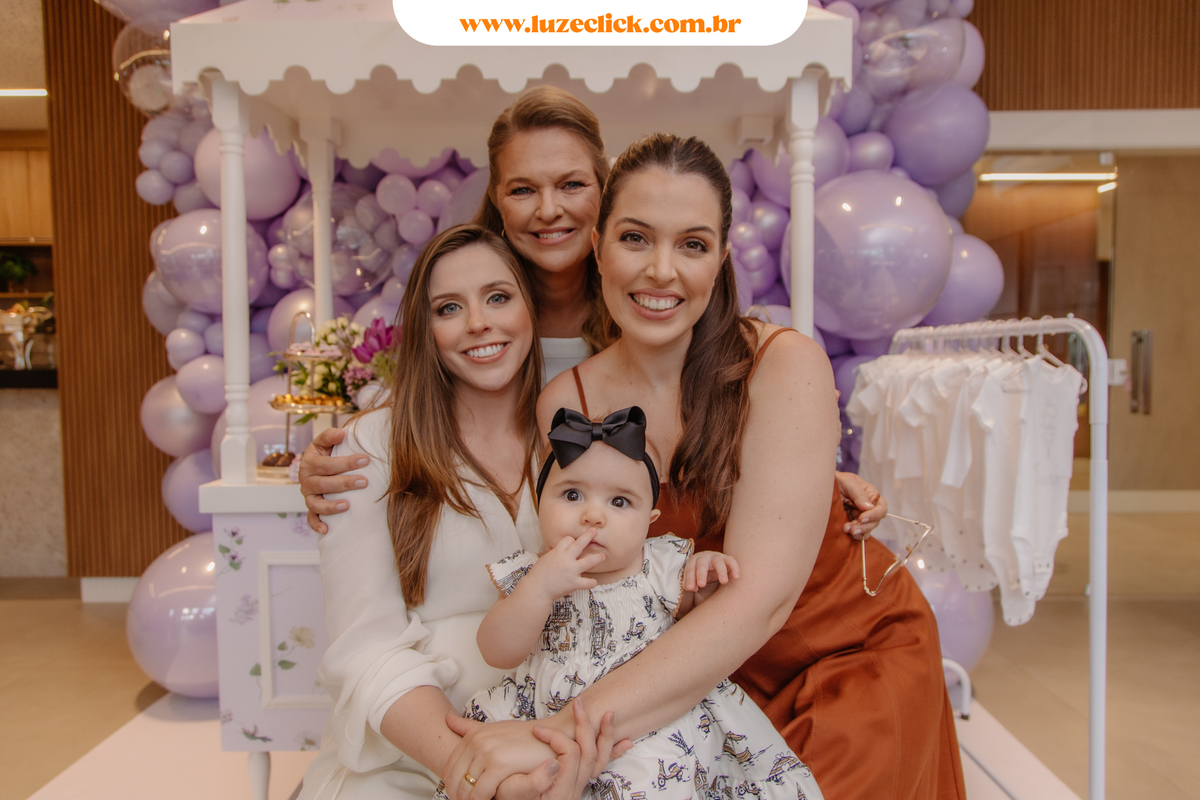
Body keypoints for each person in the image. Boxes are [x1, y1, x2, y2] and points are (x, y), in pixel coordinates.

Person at [436, 135, 967, 800]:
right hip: (691, 684)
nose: (661, 271)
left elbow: (759, 600)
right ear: (598, 246)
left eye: (691, 244)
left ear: (720, 259)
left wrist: (559, 731)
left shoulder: (782, 363)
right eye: (635, 238)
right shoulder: (566, 403)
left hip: (840, 657)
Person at [300, 85, 885, 540]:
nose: (548, 210)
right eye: (523, 190)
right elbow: (426, 408)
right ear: (497, 200)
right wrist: (341, 457)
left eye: (572, 185)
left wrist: (802, 473)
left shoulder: (654, 310)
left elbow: (708, 423)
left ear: (605, 195)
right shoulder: (479, 319)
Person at [297, 225, 627, 800]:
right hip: (413, 753)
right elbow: (365, 649)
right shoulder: (369, 447)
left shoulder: (580, 434)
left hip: (557, 745)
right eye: (449, 308)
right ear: (425, 329)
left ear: (531, 310)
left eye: (498, 297)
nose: (478, 323)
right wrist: (477, 774)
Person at [435, 405, 825, 800]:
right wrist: (538, 590)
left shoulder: (660, 566)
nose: (593, 515)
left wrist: (704, 574)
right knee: (500, 775)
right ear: (539, 508)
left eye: (619, 502)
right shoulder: (530, 573)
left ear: (649, 521)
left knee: (651, 778)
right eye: (572, 495)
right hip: (541, 716)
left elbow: (710, 622)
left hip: (645, 719)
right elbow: (497, 651)